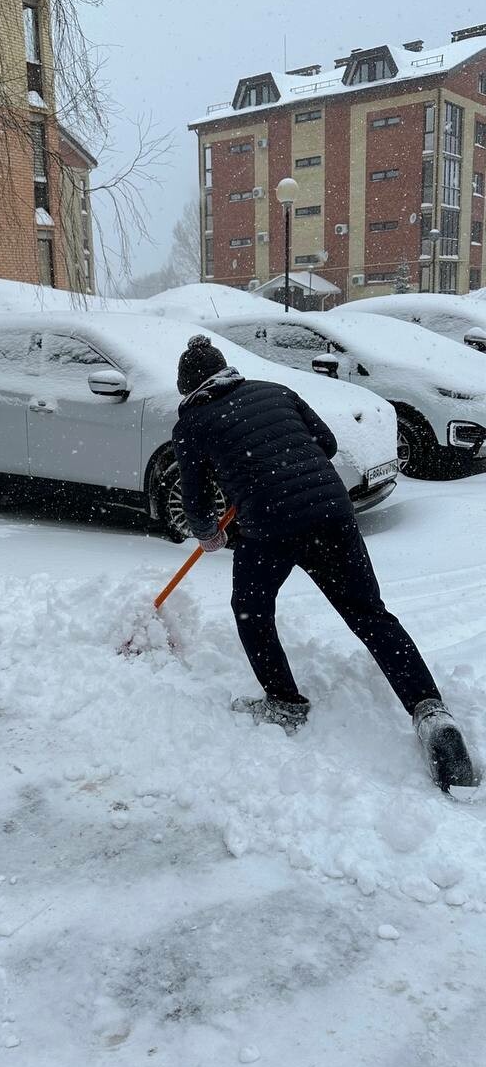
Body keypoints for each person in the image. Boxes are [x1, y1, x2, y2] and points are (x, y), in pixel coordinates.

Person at [172, 333, 478, 794]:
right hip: (332, 513)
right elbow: (328, 444)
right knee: (370, 614)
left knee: (252, 612)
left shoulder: (193, 423)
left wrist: (208, 532)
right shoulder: (274, 391)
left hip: (269, 526)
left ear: (190, 388)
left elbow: (195, 498)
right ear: (226, 372)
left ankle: (285, 702)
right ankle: (430, 711)